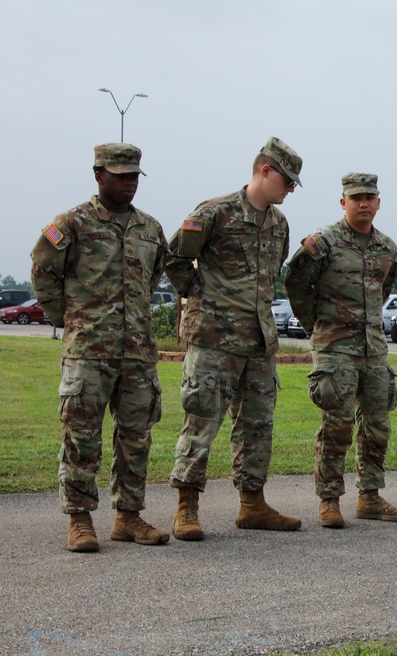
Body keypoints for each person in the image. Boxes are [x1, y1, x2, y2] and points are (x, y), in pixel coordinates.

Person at [31, 143, 170, 552]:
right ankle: (79, 520)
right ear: (98, 175)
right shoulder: (71, 224)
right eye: (120, 174)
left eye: (133, 176)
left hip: (138, 353)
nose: (128, 182)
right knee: (82, 437)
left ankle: (128, 517)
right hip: (88, 352)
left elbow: (154, 276)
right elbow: (43, 272)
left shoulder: (150, 228)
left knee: (136, 436)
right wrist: (68, 318)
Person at [166, 137, 303, 540]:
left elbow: (271, 274)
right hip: (214, 339)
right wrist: (201, 296)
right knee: (202, 420)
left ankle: (252, 504)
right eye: (287, 179)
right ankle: (186, 507)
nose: (291, 188)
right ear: (265, 170)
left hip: (259, 343)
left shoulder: (279, 224)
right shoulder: (215, 212)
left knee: (257, 425)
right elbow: (174, 257)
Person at [284, 172, 397, 529]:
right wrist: (317, 326)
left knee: (377, 424)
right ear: (343, 202)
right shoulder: (323, 242)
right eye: (356, 198)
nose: (363, 203)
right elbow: (296, 285)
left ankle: (370, 497)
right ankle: (329, 500)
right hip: (335, 348)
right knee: (336, 426)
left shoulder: (388, 248)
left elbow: (385, 289)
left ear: (379, 202)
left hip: (374, 348)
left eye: (369, 196)